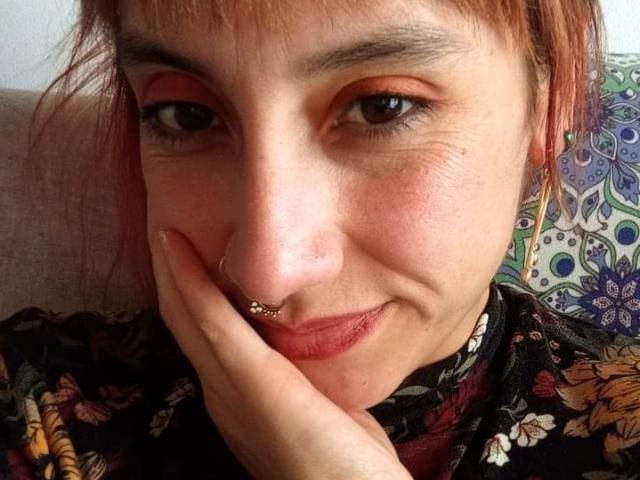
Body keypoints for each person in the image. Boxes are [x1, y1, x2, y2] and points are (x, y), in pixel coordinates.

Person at [1, 0, 638, 478]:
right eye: (187, 115)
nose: (266, 269)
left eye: (383, 106)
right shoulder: (37, 403)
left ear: (547, 108)